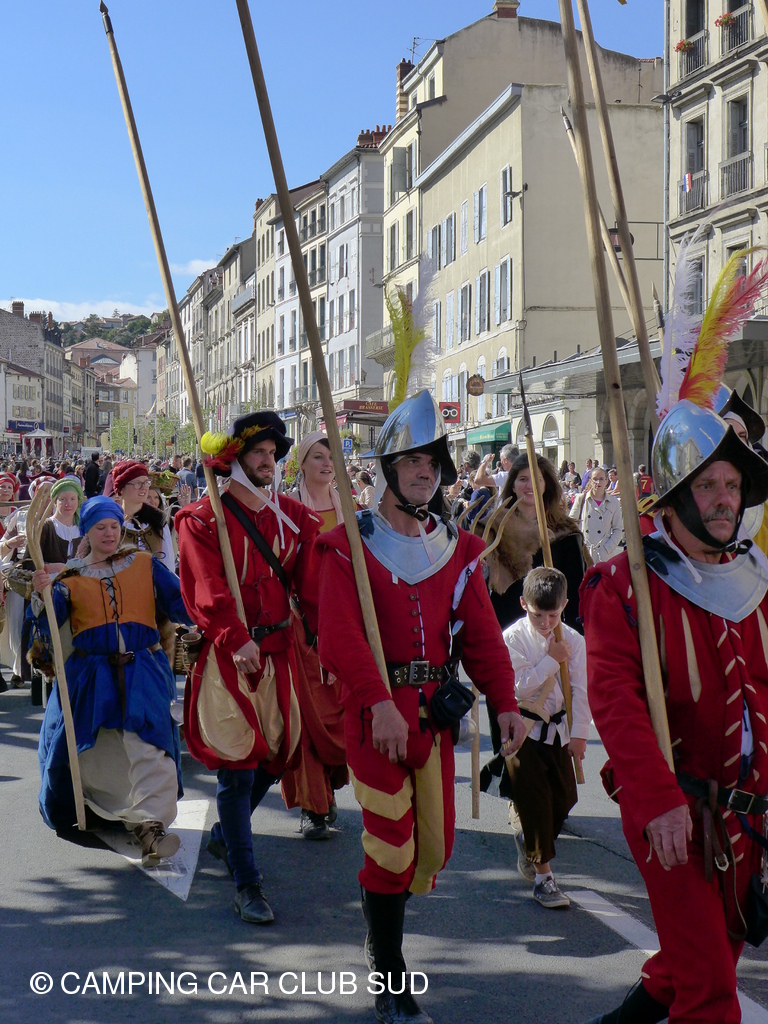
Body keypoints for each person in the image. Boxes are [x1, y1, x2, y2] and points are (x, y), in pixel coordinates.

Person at [316, 390, 526, 1024]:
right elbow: (340, 635)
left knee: (431, 851)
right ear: (388, 468)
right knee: (390, 848)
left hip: (434, 718)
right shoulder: (347, 545)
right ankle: (390, 975)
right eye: (412, 460)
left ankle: (378, 920)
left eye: (432, 461)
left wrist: (505, 702)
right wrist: (378, 702)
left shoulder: (456, 549)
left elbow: (482, 636)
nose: (425, 471)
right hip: (374, 718)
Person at [581, 399, 768, 1024]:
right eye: (708, 485)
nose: (724, 499)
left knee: (698, 958)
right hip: (674, 812)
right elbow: (615, 701)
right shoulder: (623, 583)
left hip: (749, 812)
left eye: (733, 485)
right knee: (710, 990)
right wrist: (659, 800)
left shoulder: (756, 577)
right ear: (676, 495)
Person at [176, 411, 321, 926]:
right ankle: (247, 883)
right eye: (258, 452)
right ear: (235, 458)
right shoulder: (200, 519)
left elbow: (313, 584)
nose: (268, 461)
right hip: (228, 659)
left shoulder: (293, 518)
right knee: (236, 770)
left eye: (273, 454)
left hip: (278, 652)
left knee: (276, 756)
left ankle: (225, 836)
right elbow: (205, 587)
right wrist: (235, 638)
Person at [33, 497, 190, 859]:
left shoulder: (146, 564)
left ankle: (151, 824)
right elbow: (48, 629)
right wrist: (43, 597)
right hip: (92, 675)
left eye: (114, 527)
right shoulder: (70, 579)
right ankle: (111, 812)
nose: (108, 534)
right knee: (99, 751)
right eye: (100, 527)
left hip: (143, 671)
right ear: (87, 532)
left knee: (151, 746)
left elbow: (182, 602)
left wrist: (214, 612)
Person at [498, 567, 589, 910]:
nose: (546, 622)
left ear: (564, 605)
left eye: (553, 615)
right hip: (524, 732)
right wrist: (552, 660)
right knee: (536, 803)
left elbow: (580, 690)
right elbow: (519, 687)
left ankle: (527, 833)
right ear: (524, 604)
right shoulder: (513, 638)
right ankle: (544, 878)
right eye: (538, 614)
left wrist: (579, 735)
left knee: (563, 800)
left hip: (559, 734)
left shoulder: (574, 640)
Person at [280, 431, 349, 839]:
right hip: (301, 627)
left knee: (341, 714)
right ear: (301, 464)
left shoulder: (350, 507)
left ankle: (328, 788)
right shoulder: (286, 510)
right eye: (318, 456)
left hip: (344, 624)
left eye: (331, 456)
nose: (326, 463)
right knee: (306, 719)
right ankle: (313, 804)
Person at [570, 465, 624, 564]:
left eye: (601, 479)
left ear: (606, 481)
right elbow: (571, 524)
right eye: (595, 479)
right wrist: (578, 546)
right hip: (583, 553)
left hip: (604, 555)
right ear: (590, 481)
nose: (598, 482)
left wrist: (608, 548)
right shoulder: (581, 499)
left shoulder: (614, 502)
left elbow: (618, 529)